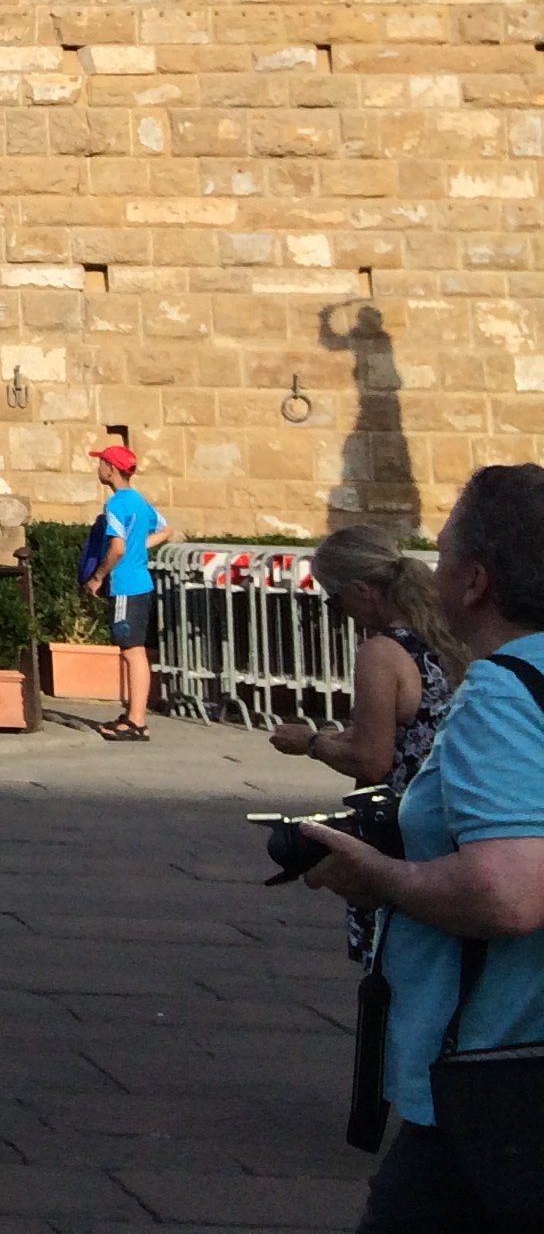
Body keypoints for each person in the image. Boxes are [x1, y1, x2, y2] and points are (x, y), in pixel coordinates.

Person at [300, 463, 544, 1233]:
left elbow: (508, 894)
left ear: (475, 581)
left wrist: (380, 874)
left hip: (494, 1069)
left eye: (441, 552)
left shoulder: (504, 692)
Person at [271, 526, 463, 962]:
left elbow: (372, 761)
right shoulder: (449, 637)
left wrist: (311, 742)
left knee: (392, 963)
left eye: (334, 600)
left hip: (401, 824)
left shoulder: (381, 652)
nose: (338, 611)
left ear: (362, 590)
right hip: (454, 815)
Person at [87, 444, 171, 742]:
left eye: (101, 463)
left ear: (111, 469)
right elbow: (166, 529)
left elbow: (117, 548)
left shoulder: (116, 504)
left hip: (125, 585)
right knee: (134, 650)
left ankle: (136, 720)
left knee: (132, 651)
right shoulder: (139, 501)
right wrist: (141, 547)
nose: (98, 467)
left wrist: (98, 576)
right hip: (141, 582)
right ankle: (134, 716)